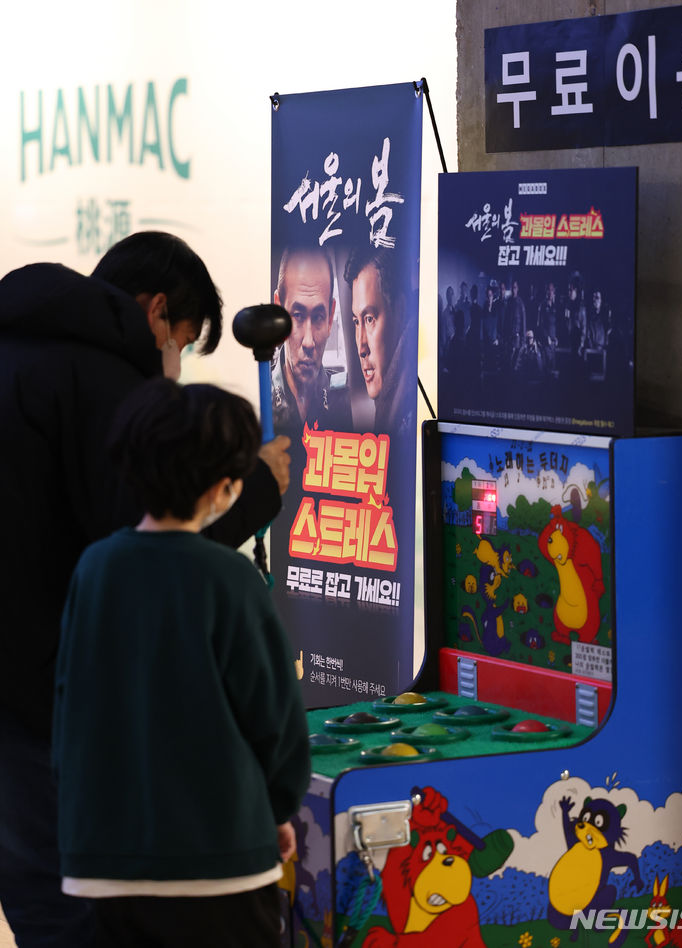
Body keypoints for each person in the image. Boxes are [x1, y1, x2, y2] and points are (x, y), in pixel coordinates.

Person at [0, 231, 290, 947]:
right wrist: (254, 493)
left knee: (41, 903)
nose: (174, 365)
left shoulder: (18, 349)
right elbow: (153, 550)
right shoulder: (102, 379)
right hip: (47, 705)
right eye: (183, 342)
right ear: (156, 311)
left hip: (15, 691)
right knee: (84, 914)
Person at [52, 378, 310, 948]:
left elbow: (69, 707)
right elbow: (275, 717)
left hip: (106, 859)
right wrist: (277, 808)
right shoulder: (230, 577)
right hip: (221, 858)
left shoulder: (95, 568)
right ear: (223, 488)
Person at [272, 243, 351, 434]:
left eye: (318, 317)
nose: (308, 342)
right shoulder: (258, 397)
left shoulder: (344, 402)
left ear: (330, 318)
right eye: (298, 315)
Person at [344, 246, 415, 435]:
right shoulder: (392, 407)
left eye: (369, 319)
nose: (361, 348)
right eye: (356, 322)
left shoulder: (410, 413)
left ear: (401, 311)